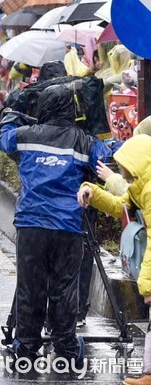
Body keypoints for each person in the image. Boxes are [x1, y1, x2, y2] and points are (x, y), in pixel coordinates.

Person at [0, 84, 115, 369]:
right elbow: (107, 157)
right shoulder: (82, 142)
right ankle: (65, 346)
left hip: (31, 224)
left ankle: (26, 347)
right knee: (64, 289)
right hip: (67, 226)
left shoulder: (25, 136)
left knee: (29, 287)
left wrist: (12, 113)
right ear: (71, 110)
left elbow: (4, 140)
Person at [76, 135, 151, 385]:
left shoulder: (150, 191)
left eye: (125, 165)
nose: (122, 171)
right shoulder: (141, 187)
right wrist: (93, 192)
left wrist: (148, 286)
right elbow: (120, 206)